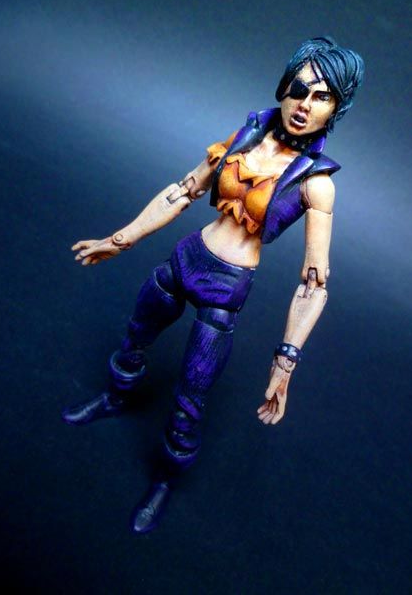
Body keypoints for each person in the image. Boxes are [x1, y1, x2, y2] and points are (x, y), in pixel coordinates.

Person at [62, 36, 364, 534]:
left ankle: (165, 478)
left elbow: (313, 283)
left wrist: (285, 363)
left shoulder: (317, 182)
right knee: (136, 336)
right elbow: (184, 190)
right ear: (283, 87)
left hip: (227, 287)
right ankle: (115, 396)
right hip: (187, 258)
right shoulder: (247, 134)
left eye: (322, 97)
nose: (304, 105)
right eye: (299, 89)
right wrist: (121, 238)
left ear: (337, 109)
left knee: (191, 394)